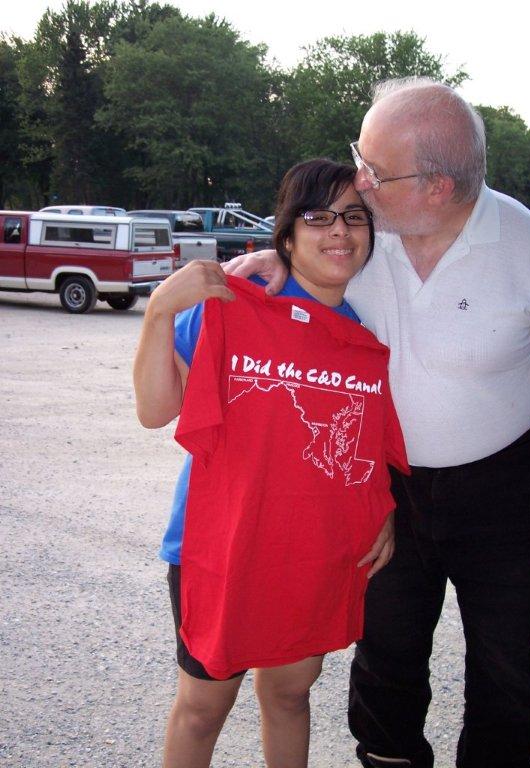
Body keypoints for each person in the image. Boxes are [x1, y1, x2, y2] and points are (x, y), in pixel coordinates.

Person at [226, 77, 530, 768]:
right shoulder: (362, 235)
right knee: (385, 653)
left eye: (374, 169)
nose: (358, 179)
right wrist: (277, 257)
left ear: (438, 188)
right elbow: (306, 261)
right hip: (390, 489)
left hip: (512, 495)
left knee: (507, 671)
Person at [133, 158, 408, 768]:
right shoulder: (233, 303)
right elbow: (156, 411)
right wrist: (158, 312)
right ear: (286, 234)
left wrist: (380, 509)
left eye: (353, 217)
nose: (338, 231)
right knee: (203, 708)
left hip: (310, 550)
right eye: (317, 217)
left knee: (289, 696)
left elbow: (363, 445)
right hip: (219, 545)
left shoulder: (365, 335)